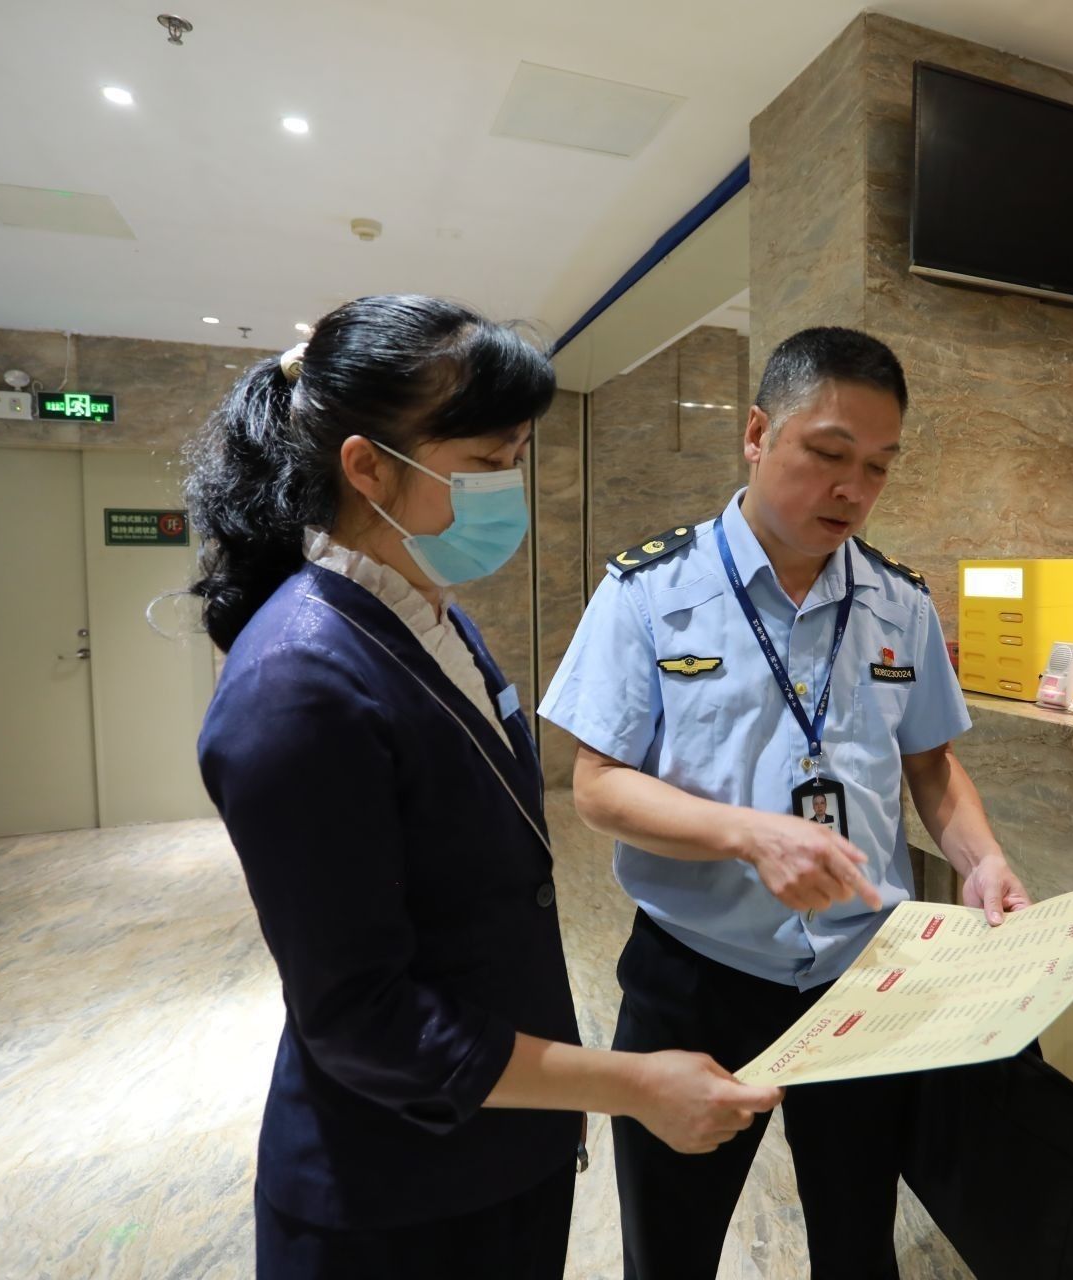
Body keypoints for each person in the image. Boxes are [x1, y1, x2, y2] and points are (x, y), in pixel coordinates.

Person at [186, 295, 780, 1280]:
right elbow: (364, 1018)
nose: (509, 487)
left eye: (517, 457)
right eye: (486, 461)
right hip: (397, 1195)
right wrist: (630, 1085)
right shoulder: (297, 684)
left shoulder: (424, 611)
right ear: (368, 467)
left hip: (499, 1140)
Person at [539, 326, 1034, 1279]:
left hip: (861, 980)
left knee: (858, 1245)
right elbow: (597, 787)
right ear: (758, 434)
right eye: (829, 454)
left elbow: (932, 766)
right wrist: (747, 834)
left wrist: (983, 860)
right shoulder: (651, 591)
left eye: (878, 467)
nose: (853, 489)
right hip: (696, 974)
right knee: (671, 1250)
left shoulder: (899, 603)